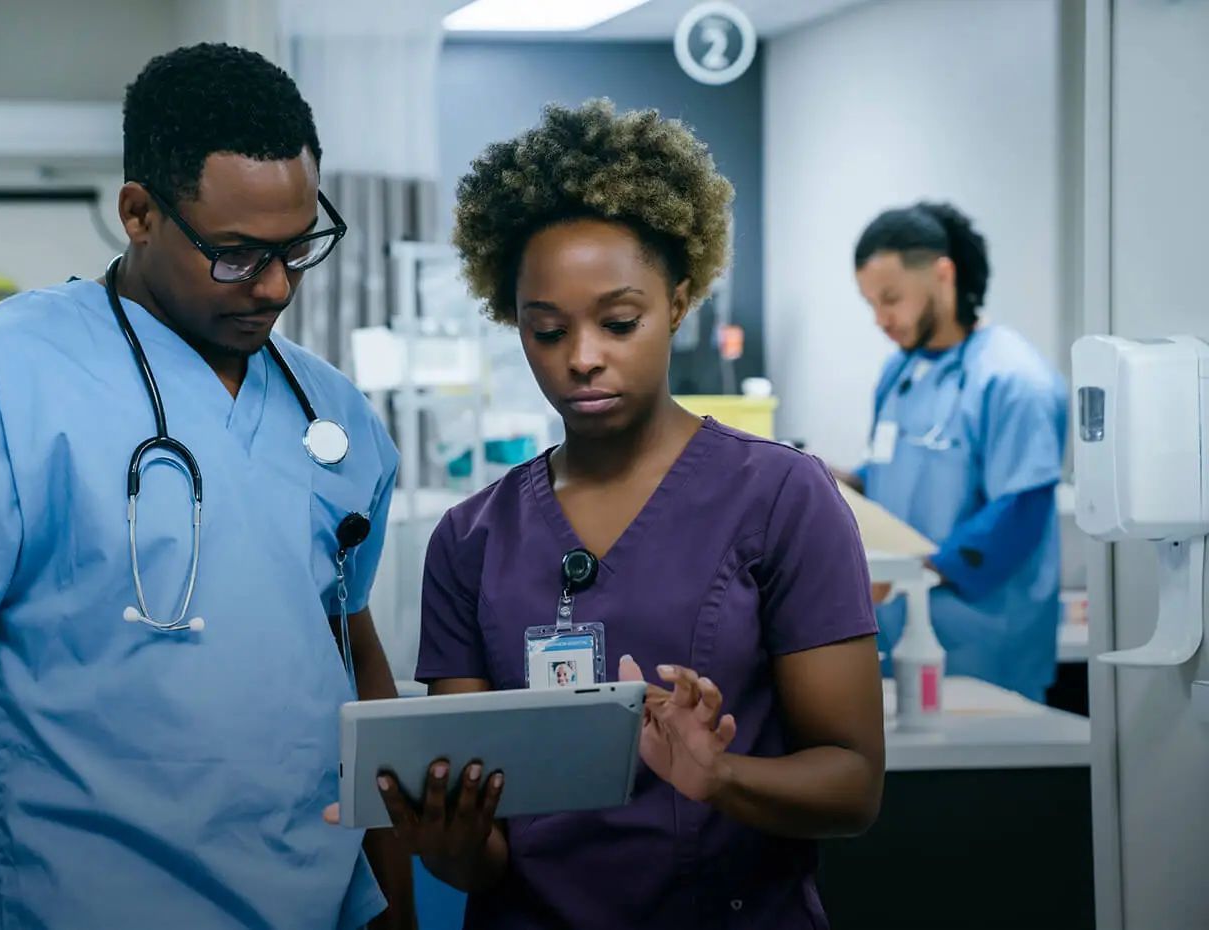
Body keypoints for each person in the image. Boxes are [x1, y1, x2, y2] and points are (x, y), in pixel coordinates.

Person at [0, 44, 413, 929]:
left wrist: (396, 906)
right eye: (235, 255)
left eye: (299, 249)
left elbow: (353, 656)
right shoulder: (3, 371)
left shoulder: (330, 410)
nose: (274, 286)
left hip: (318, 895)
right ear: (138, 215)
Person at [379, 100, 885, 928]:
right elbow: (478, 857)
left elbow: (853, 783)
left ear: (679, 302)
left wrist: (720, 777)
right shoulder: (471, 540)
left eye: (619, 321)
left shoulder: (783, 497)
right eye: (546, 331)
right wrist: (444, 837)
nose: (582, 356)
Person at [842, 203, 1068, 701]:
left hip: (984, 653)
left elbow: (1020, 511)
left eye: (891, 299)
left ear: (943, 274)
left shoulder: (1014, 380)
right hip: (896, 641)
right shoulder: (898, 374)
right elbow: (891, 474)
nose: (881, 319)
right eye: (871, 304)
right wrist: (826, 480)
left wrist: (908, 574)